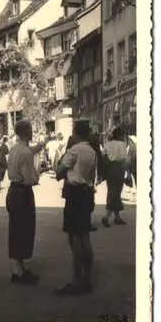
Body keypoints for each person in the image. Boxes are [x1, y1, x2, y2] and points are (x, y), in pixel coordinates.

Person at [55, 120, 97, 295]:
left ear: (75, 133)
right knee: (85, 237)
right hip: (87, 193)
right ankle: (87, 279)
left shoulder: (74, 150)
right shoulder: (92, 151)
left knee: (74, 238)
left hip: (75, 194)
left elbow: (58, 172)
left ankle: (76, 281)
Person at [6, 120, 44, 285]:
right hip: (23, 192)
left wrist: (42, 145)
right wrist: (40, 171)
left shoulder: (15, 149)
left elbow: (31, 150)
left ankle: (19, 267)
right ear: (28, 132)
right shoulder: (26, 153)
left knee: (16, 228)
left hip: (13, 191)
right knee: (24, 229)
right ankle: (18, 271)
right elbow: (30, 179)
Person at [101, 127, 131, 227]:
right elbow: (124, 160)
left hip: (109, 169)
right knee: (115, 192)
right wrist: (127, 173)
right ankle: (106, 216)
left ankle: (117, 217)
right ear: (120, 135)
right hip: (118, 169)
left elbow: (104, 157)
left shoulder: (107, 144)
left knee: (112, 191)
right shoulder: (122, 145)